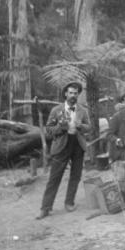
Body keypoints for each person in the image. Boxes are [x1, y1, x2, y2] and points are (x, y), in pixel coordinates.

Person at [37, 82, 91, 220]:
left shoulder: (82, 110)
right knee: (55, 177)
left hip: (78, 145)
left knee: (75, 176)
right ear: (65, 94)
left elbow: (89, 127)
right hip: (61, 145)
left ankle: (69, 202)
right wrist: (61, 128)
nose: (73, 95)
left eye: (76, 93)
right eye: (71, 93)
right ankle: (45, 208)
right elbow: (48, 129)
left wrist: (80, 125)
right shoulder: (56, 110)